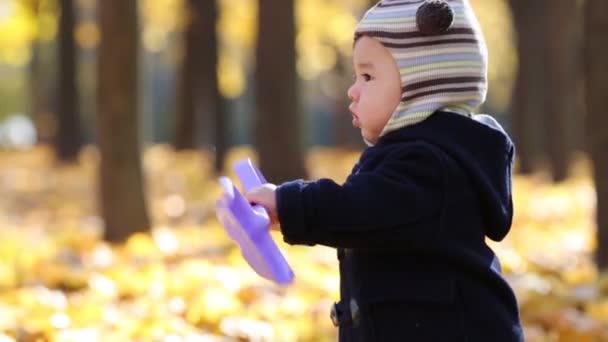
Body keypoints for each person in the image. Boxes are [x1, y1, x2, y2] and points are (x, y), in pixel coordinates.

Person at [246, 0, 525, 340]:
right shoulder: (416, 156)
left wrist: (291, 204)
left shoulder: (430, 165)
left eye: (367, 76)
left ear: (421, 86)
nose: (352, 90)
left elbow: (362, 209)